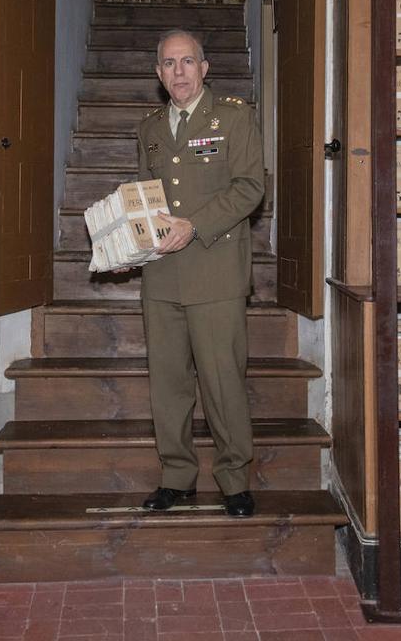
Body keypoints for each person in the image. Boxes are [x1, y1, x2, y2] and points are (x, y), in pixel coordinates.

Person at [133, 29, 265, 518]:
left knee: (222, 381)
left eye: (187, 62)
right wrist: (131, 240)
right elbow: (145, 200)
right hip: (162, 275)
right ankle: (176, 477)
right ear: (158, 73)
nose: (179, 72)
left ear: (204, 68)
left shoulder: (232, 117)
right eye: (168, 64)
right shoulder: (148, 128)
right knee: (168, 384)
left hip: (215, 271)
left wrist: (196, 225)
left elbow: (251, 187)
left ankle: (234, 479)